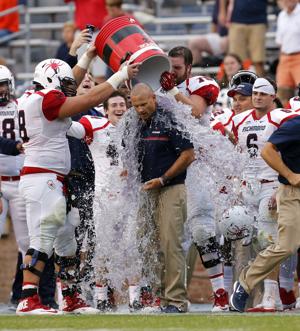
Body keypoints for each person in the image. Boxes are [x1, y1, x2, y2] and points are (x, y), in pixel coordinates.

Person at [15, 50, 140, 315]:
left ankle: (70, 298)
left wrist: (87, 57)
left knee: (67, 241)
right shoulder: (46, 100)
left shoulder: (36, 97)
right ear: (50, 81)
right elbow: (88, 99)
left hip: (52, 179)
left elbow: (67, 83)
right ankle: (28, 299)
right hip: (42, 178)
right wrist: (120, 76)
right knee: (43, 236)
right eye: (64, 84)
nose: (68, 89)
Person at [161, 46, 230, 312]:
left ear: (189, 68)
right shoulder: (161, 87)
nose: (171, 73)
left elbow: (195, 113)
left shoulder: (201, 84)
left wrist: (172, 91)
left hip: (198, 166)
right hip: (169, 167)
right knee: (169, 236)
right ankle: (167, 296)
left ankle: (220, 293)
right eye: (169, 67)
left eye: (177, 68)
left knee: (202, 230)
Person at [129, 83, 195, 313]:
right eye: (135, 105)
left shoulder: (168, 120)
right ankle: (158, 298)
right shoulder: (135, 124)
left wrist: (164, 179)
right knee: (145, 243)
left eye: (144, 104)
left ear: (154, 99)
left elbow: (189, 154)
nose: (140, 109)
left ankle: (176, 300)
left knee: (170, 243)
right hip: (147, 189)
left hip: (170, 187)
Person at [230, 112, 300, 313]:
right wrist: (289, 175)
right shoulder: (295, 124)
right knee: (286, 246)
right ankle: (244, 284)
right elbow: (267, 151)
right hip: (293, 193)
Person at [219, 0, 268, 76]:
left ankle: (261, 86)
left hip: (258, 20)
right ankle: (237, 85)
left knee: (259, 60)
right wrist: (222, 11)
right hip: (237, 20)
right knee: (236, 60)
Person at [275, 0, 300, 106]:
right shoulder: (281, 15)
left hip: (298, 56)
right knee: (282, 94)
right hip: (285, 57)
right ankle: (286, 120)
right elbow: (280, 41)